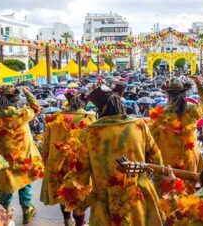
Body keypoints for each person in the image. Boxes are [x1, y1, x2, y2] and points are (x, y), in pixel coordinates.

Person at [57, 85, 165, 226]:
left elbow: (80, 174)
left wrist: (79, 205)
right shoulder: (140, 125)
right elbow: (156, 159)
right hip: (140, 197)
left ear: (100, 109)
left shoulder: (88, 133)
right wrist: (159, 187)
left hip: (106, 203)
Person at [40, 90, 96, 226]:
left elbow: (45, 144)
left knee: (63, 194)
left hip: (57, 165)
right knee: (79, 195)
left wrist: (46, 162)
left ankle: (66, 220)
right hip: (80, 165)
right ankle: (79, 223)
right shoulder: (90, 119)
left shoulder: (54, 117)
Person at [0, 86, 43, 224]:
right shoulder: (21, 114)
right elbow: (36, 108)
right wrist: (28, 93)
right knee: (24, 182)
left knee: (6, 184)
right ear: (15, 101)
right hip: (23, 158)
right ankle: (26, 210)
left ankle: (4, 212)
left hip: (3, 160)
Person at [149, 76, 203, 175]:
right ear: (185, 94)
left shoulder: (159, 115)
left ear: (168, 96)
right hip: (189, 159)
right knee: (190, 188)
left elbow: (150, 140)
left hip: (167, 163)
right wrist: (198, 83)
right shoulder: (193, 111)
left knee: (168, 189)